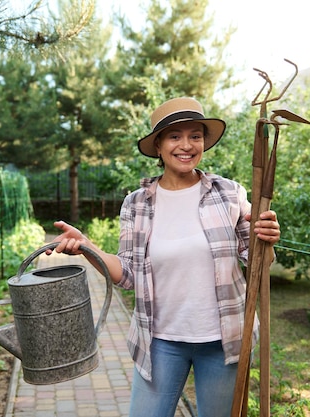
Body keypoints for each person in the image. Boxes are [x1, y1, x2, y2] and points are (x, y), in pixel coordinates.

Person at [47, 97, 280, 417]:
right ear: (158, 146)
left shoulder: (229, 193)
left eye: (195, 136)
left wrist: (265, 239)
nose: (186, 145)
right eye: (175, 136)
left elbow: (256, 263)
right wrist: (89, 247)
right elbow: (127, 274)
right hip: (160, 342)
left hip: (223, 341)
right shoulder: (136, 204)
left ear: (203, 143)